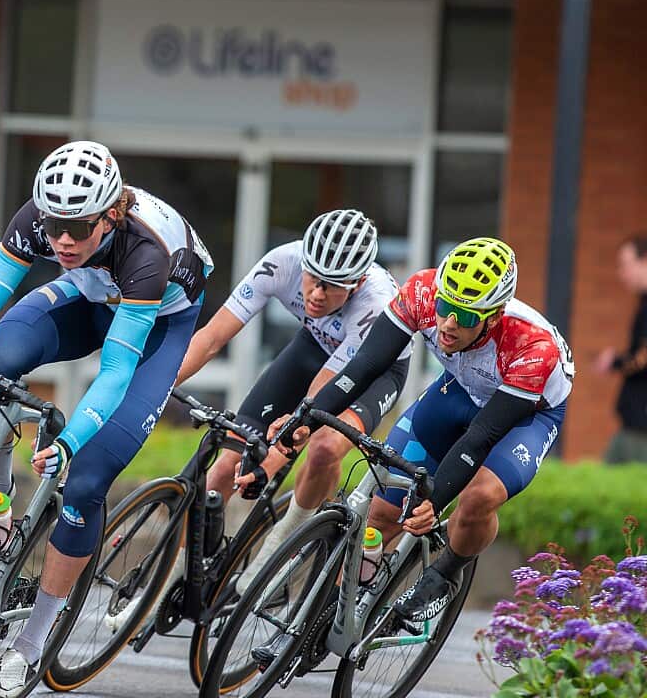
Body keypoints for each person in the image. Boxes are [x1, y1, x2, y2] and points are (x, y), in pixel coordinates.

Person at [0, 140, 212, 698]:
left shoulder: (147, 252)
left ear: (110, 216)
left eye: (79, 227)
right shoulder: (41, 223)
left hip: (155, 326)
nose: (62, 239)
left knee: (86, 478)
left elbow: (114, 370)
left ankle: (29, 649)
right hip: (89, 294)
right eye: (54, 223)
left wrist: (73, 441)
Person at [261, 237, 573, 627]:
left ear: (493, 318)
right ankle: (322, 619)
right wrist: (307, 416)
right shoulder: (423, 292)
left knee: (478, 497)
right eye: (445, 307)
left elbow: (481, 436)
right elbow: (367, 365)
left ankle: (446, 572)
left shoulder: (532, 348)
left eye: (466, 317)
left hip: (528, 413)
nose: (448, 324)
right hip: (460, 388)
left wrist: (435, 499)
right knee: (384, 509)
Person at [169, 209, 410, 597]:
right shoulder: (281, 262)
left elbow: (320, 398)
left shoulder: (375, 304)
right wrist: (161, 385)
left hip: (372, 373)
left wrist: (270, 460)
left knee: (324, 446)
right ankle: (175, 581)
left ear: (358, 282)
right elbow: (212, 337)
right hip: (312, 347)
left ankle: (282, 540)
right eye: (312, 278)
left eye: (332, 287)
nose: (315, 294)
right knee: (223, 467)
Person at [595, 235, 647, 464]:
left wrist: (614, 361)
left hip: (639, 427)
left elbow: (642, 359)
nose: (621, 274)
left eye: (625, 265)